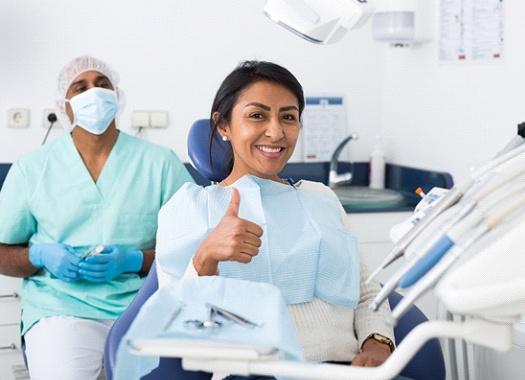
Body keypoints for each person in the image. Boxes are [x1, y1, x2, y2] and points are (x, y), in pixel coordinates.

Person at [155, 61, 403, 380]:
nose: (276, 131)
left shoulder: (322, 198)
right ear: (223, 126)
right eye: (257, 115)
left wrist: (377, 343)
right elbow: (175, 327)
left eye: (288, 117)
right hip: (252, 373)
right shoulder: (189, 208)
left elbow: (367, 291)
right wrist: (205, 258)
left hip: (345, 370)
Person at [0, 55, 194, 380]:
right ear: (65, 104)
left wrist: (135, 260)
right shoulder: (32, 168)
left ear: (116, 95)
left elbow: (191, 250)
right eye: (81, 87)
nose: (94, 92)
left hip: (144, 303)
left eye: (103, 84)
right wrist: (39, 255)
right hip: (60, 306)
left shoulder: (160, 164)